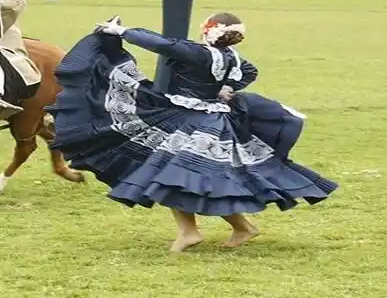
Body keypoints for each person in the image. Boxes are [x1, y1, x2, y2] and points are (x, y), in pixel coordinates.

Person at [45, 13, 338, 253]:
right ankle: (227, 228)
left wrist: (121, 32)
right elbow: (250, 72)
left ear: (210, 29)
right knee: (195, 180)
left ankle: (198, 231)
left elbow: (164, 45)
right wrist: (228, 88)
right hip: (212, 118)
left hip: (193, 120)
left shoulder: (200, 53)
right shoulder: (234, 58)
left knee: (175, 176)